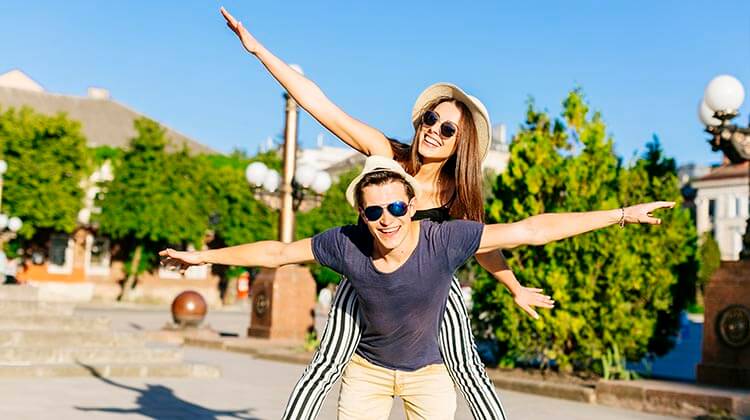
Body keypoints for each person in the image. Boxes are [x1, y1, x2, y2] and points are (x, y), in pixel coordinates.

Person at [219, 8, 548, 419]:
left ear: (459, 144)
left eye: (447, 129)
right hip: (367, 279)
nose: (434, 130)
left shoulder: (456, 196)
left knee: (467, 367)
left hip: (425, 291)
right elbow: (322, 106)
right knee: (324, 366)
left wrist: (514, 286)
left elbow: (483, 246)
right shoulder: (385, 154)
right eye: (431, 119)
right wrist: (258, 51)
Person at [160, 156, 673, 419]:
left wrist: (620, 214)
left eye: (397, 207)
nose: (387, 219)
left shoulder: (444, 240)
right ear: (361, 215)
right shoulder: (344, 244)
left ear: (411, 205)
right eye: (374, 212)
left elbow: (531, 230)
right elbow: (276, 252)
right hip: (367, 373)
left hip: (429, 375)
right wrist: (201, 256)